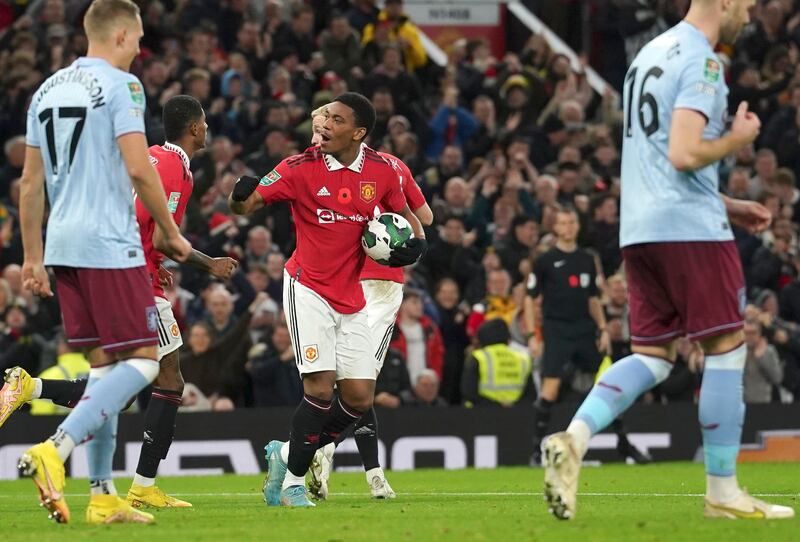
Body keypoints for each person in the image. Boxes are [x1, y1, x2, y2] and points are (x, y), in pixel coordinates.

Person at [541, 0, 794, 521]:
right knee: (726, 347)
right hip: (691, 231)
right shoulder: (703, 61)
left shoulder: (648, 55)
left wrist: (727, 202)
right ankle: (723, 493)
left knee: (654, 356)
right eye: (744, 3)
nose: (748, 13)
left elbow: (656, 160)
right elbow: (682, 153)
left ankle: (574, 436)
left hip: (641, 230)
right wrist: (738, 140)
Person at [1, 95, 238, 509]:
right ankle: (136, 483)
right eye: (204, 123)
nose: (207, 129)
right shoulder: (174, 168)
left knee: (117, 385)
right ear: (196, 128)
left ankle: (30, 386)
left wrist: (155, 256)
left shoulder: (153, 157)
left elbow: (140, 222)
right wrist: (208, 264)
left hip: (107, 264)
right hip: (129, 277)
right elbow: (159, 232)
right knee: (167, 377)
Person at [13, 0, 192, 525]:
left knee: (103, 372)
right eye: (137, 39)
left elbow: (29, 182)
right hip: (109, 243)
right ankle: (56, 447)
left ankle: (102, 495)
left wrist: (30, 257)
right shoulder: (122, 86)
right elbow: (140, 170)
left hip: (61, 245)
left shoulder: (45, 90)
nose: (139, 49)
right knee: (144, 361)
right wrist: (172, 231)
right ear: (118, 35)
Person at [228, 92, 427, 507]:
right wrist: (239, 194)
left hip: (351, 293)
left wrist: (413, 247)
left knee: (357, 397)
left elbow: (408, 220)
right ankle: (293, 485)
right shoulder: (299, 168)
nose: (324, 125)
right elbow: (246, 206)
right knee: (319, 389)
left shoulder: (384, 171)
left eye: (336, 120)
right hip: (308, 287)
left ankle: (284, 454)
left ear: (358, 132)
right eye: (324, 117)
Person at [305, 105, 433, 501]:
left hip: (355, 285)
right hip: (373, 288)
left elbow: (421, 219)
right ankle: (354, 465)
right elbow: (423, 217)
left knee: (354, 385)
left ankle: (335, 458)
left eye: (325, 127)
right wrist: (412, 247)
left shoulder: (318, 169)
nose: (320, 135)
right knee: (356, 384)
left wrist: (405, 244)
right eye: (318, 128)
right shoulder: (392, 166)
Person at [524, 208, 646, 465]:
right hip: (556, 330)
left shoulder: (586, 260)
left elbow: (592, 298)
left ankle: (624, 446)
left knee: (606, 386)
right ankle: (536, 452)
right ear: (555, 228)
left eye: (571, 222)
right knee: (550, 389)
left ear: (577, 227)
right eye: (563, 222)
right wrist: (531, 335)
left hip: (584, 329)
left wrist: (602, 328)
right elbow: (530, 298)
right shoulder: (545, 260)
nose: (568, 227)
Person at [461, 319, 532, 407]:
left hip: (480, 414)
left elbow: (469, 392)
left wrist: (497, 406)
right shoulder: (523, 359)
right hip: (515, 414)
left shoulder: (478, 357)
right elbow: (531, 394)